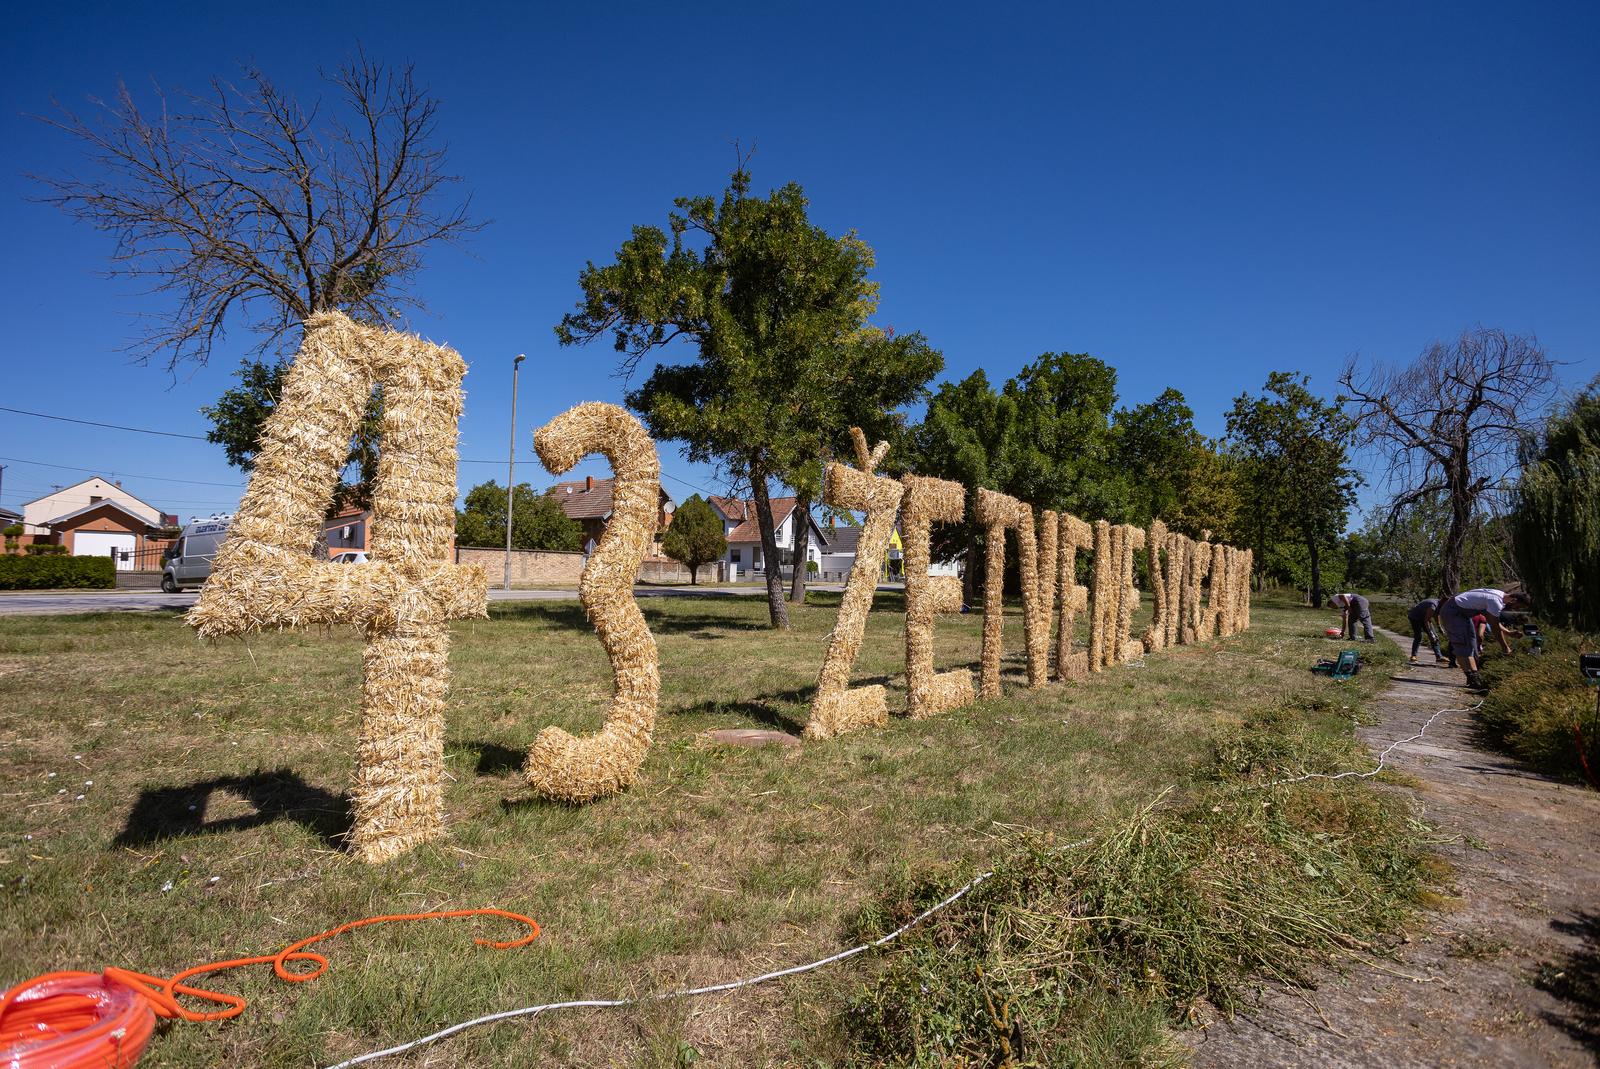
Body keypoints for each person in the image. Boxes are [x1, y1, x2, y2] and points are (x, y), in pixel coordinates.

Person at [1438, 588, 1532, 689]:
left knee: (1471, 643)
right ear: (1514, 600)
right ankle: (1473, 679)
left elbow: (1493, 620)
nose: (1515, 609)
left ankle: (1473, 677)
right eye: (1517, 606)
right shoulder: (1496, 601)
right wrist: (1505, 647)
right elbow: (1494, 626)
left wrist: (1508, 633)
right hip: (1453, 612)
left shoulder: (1499, 594)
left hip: (1462, 613)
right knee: (1463, 645)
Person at [1406, 597, 1442, 664]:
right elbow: (1426, 620)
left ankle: (1439, 657)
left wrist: (1439, 627)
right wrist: (1430, 634)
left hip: (1424, 618)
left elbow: (1436, 616)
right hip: (1415, 618)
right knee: (1419, 636)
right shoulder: (1433, 606)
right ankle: (1413, 656)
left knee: (1435, 636)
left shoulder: (1440, 604)